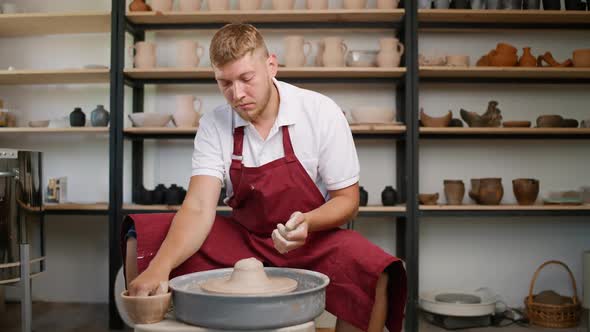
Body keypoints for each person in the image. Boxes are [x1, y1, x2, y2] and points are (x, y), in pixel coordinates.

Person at [121, 23, 407, 332]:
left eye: (246, 78)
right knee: (145, 237)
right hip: (245, 240)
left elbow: (348, 202)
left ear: (271, 65)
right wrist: (159, 267)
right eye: (224, 83)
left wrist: (308, 222)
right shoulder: (214, 124)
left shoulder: (320, 112)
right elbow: (199, 207)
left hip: (311, 240)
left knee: (375, 269)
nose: (237, 94)